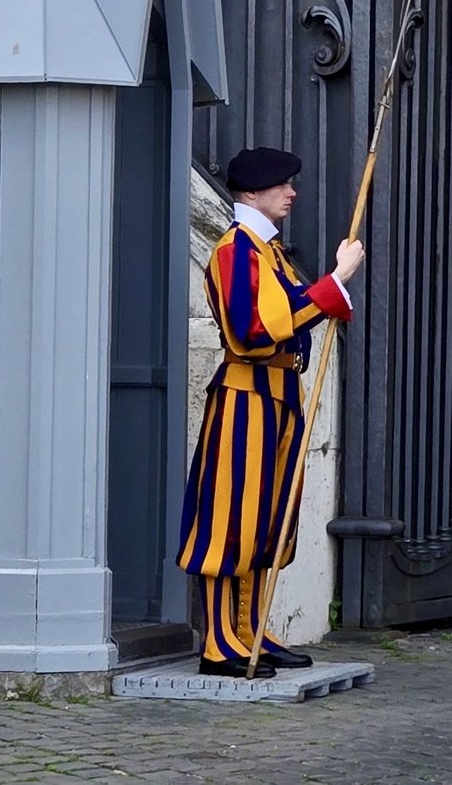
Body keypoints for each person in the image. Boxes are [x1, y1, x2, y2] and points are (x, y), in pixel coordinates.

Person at [176, 146, 365, 678]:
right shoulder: (237, 250)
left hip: (279, 395)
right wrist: (334, 283)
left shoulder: (268, 252)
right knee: (230, 519)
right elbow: (255, 332)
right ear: (252, 192)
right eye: (282, 184)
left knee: (269, 519)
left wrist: (327, 292)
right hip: (246, 397)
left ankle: (251, 630)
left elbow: (292, 314)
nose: (292, 192)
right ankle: (220, 642)